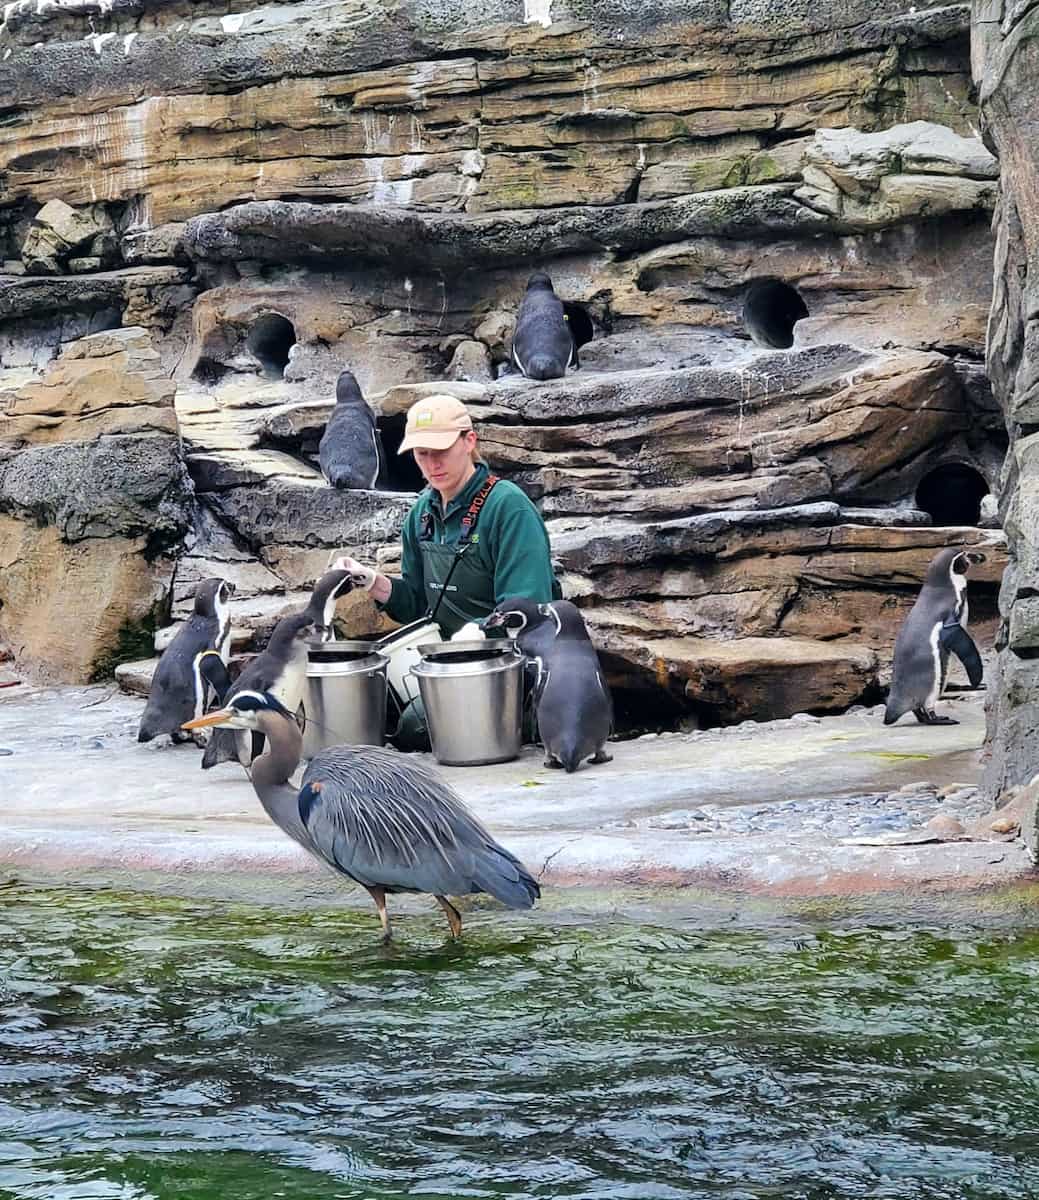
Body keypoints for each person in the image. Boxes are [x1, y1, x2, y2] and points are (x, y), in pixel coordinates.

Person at [333, 394, 559, 747]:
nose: (431, 463)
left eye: (440, 450)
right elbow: (417, 603)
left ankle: (523, 725)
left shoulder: (508, 508)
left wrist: (478, 633)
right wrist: (372, 582)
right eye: (422, 453)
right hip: (451, 662)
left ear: (469, 441)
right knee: (371, 709)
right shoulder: (421, 513)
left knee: (413, 726)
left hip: (509, 667)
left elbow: (530, 609)